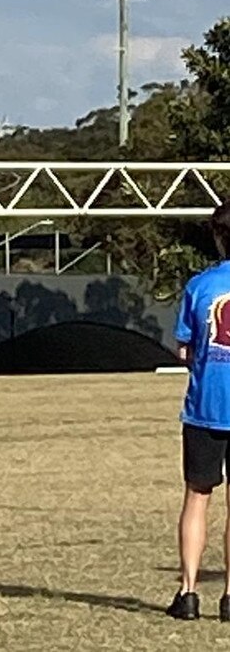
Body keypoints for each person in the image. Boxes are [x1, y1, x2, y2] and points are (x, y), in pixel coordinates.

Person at [167, 200, 230, 621]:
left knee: (197, 497)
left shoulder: (200, 285)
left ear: (218, 237)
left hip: (205, 408)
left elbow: (185, 348)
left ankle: (189, 592)